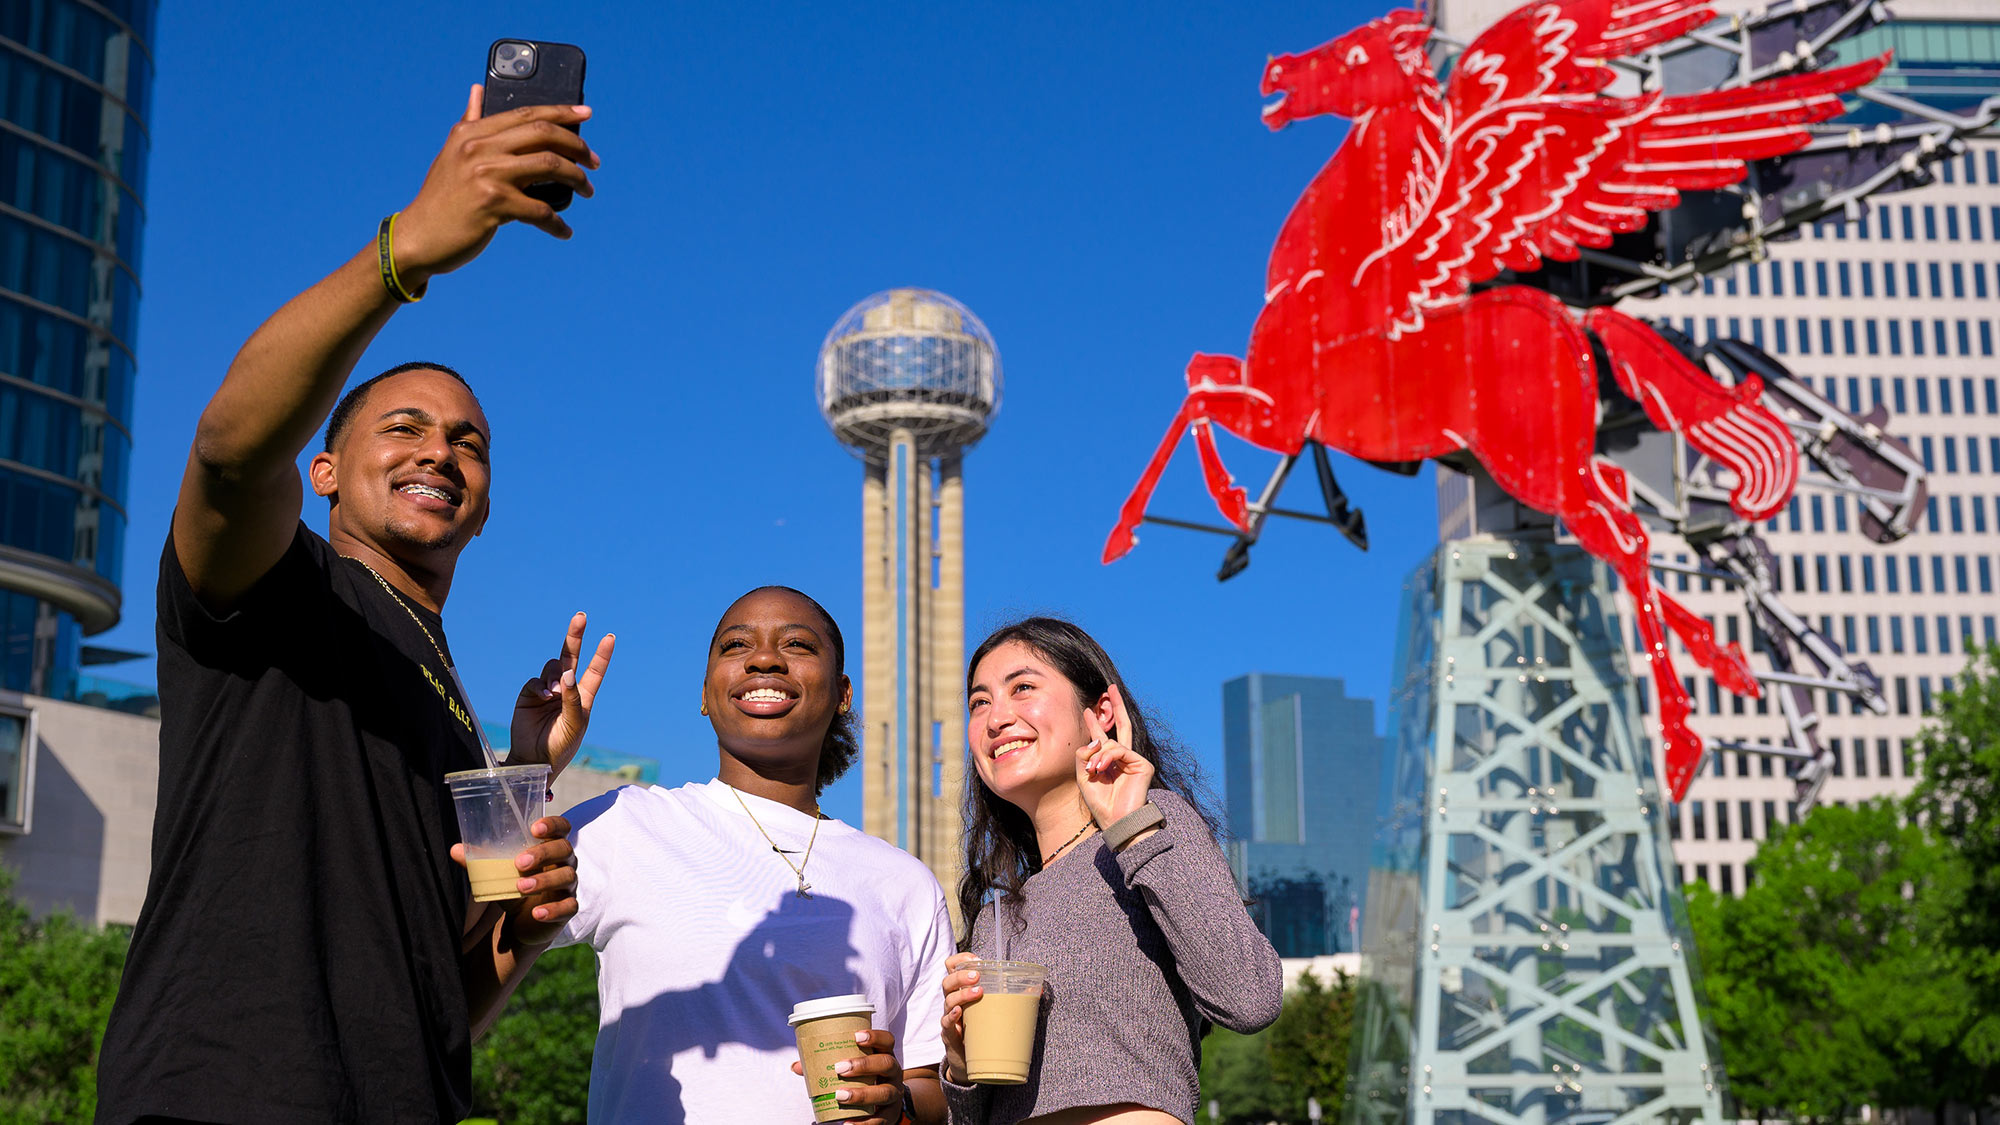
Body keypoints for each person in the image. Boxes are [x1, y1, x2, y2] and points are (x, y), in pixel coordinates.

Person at [96, 87, 614, 1125]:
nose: (439, 450)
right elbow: (232, 451)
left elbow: (438, 1003)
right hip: (218, 1099)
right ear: (326, 472)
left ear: (486, 500)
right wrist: (405, 252)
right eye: (405, 429)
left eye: (468, 442)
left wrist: (522, 794)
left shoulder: (451, 704)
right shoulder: (280, 589)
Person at [482, 586, 951, 1124]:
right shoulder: (626, 822)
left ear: (843, 694)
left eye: (797, 644)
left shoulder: (905, 883)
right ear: (706, 694)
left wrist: (899, 1104)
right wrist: (528, 766)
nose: (764, 658)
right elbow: (473, 937)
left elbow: (931, 1085)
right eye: (735, 646)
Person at [938, 617, 1283, 1125]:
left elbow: (1249, 998)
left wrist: (1132, 829)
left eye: (1023, 688)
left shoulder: (1151, 823)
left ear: (1099, 711)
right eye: (980, 702)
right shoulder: (995, 921)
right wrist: (961, 1067)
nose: (996, 719)